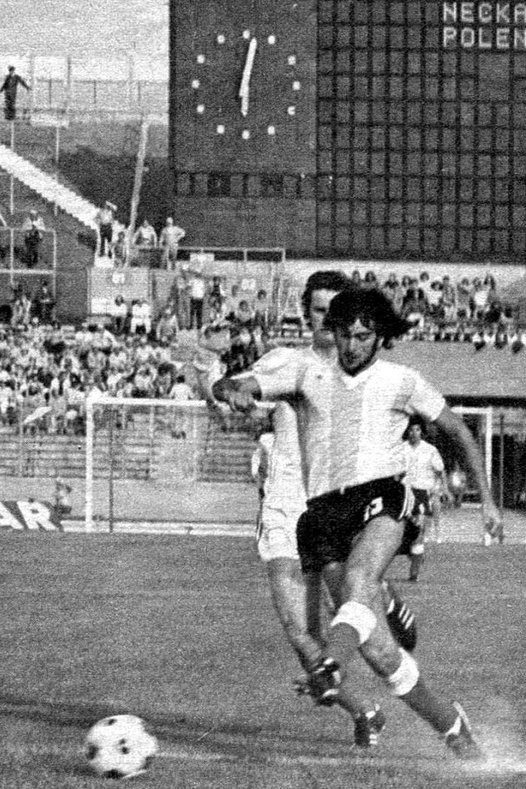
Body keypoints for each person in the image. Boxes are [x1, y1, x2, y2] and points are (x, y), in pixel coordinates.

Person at [212, 287, 501, 760]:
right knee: (382, 654)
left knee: (360, 581)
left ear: (380, 336)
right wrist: (235, 390)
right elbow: (234, 384)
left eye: (363, 337)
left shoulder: (402, 380)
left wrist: (487, 501)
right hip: (323, 514)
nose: (351, 346)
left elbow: (458, 431)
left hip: (382, 499)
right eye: (344, 335)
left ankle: (331, 666)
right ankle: (453, 726)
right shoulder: (307, 372)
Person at [204, 272, 419, 749]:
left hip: (338, 511)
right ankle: (364, 711)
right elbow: (234, 386)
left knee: (357, 624)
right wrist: (228, 389)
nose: (327, 320)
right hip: (285, 510)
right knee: (300, 633)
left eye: (335, 310)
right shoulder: (288, 363)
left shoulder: (366, 375)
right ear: (306, 315)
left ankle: (383, 599)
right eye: (318, 310)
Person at [400, 419, 445, 581]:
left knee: (418, 533)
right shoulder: (400, 449)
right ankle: (416, 556)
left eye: (417, 430)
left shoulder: (430, 450)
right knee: (404, 534)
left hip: (421, 494)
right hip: (403, 493)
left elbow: (440, 470)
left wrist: (439, 489)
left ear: (421, 432)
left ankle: (414, 574)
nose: (414, 433)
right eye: (411, 430)